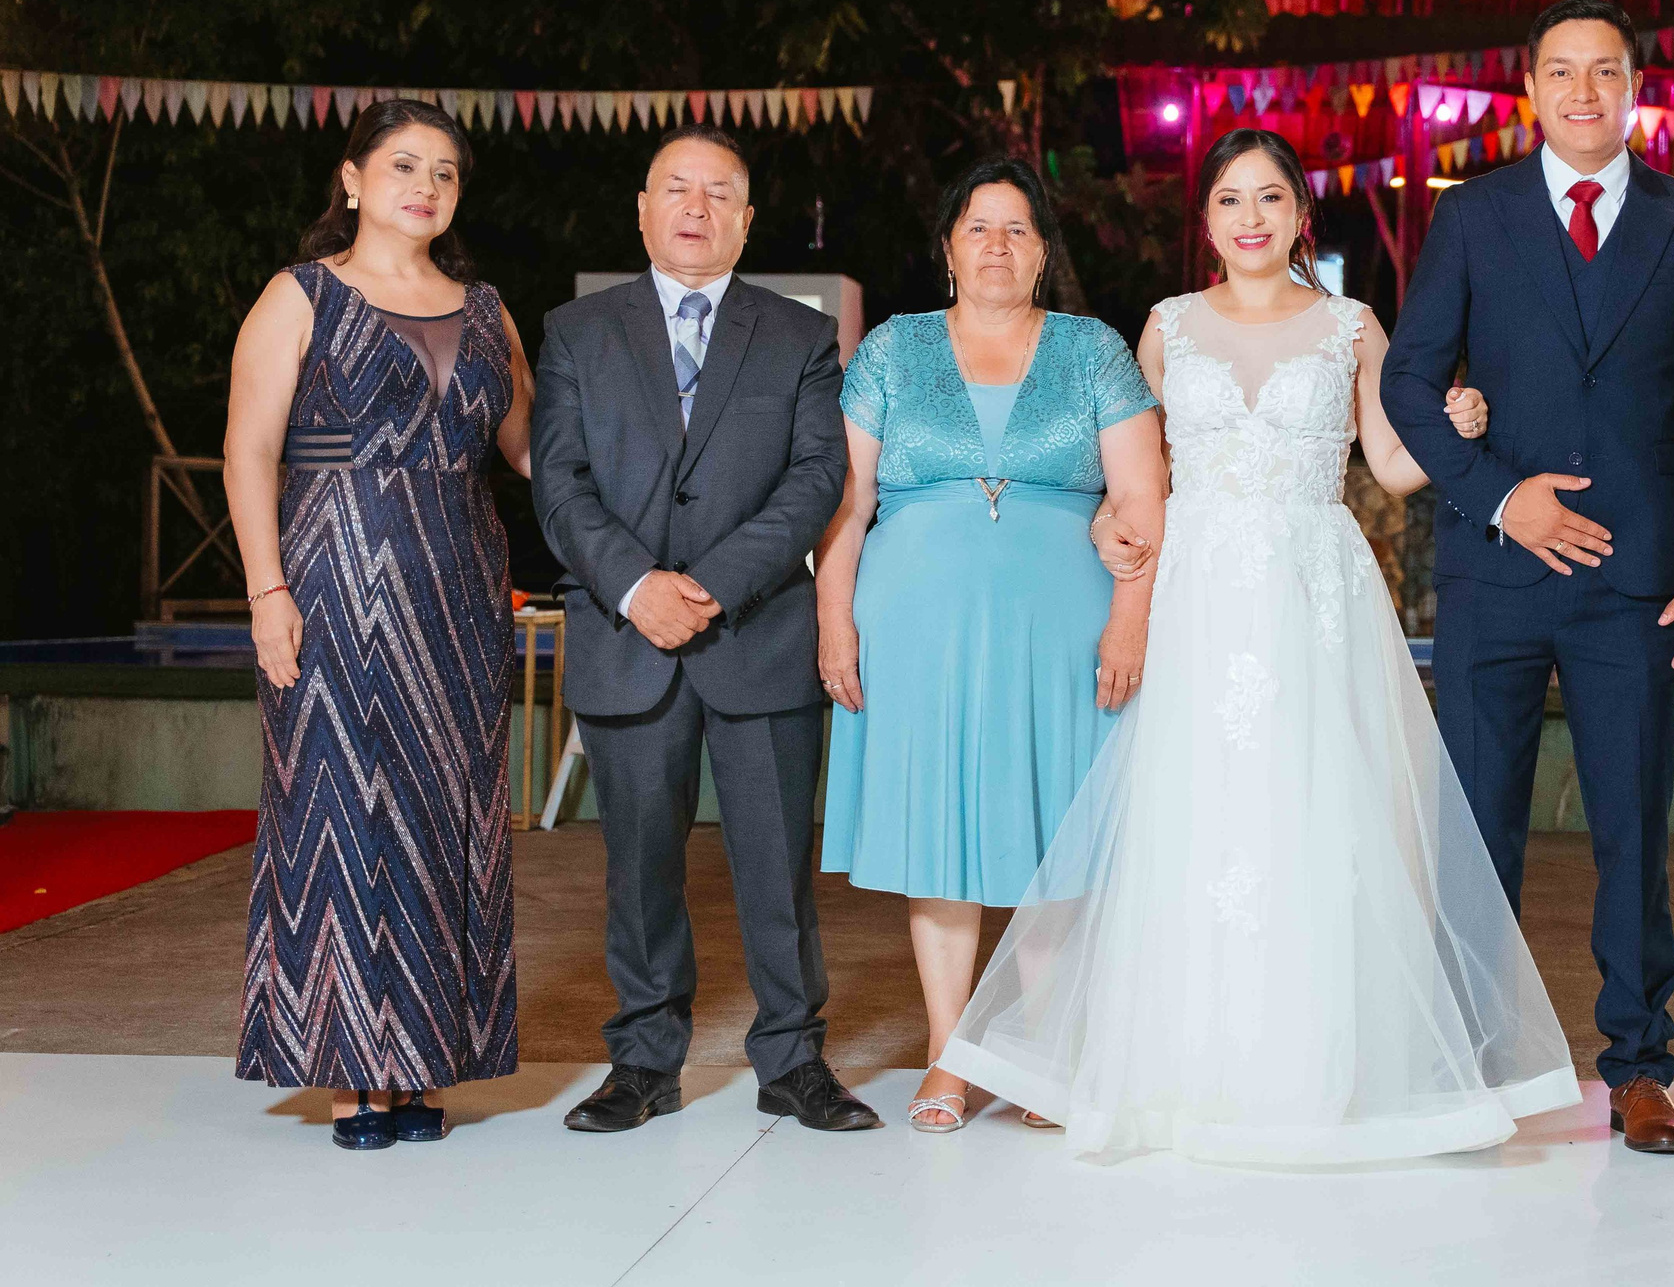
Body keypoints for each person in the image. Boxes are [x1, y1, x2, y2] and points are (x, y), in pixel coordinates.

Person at [937, 128, 1575, 1165]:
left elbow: (1389, 465)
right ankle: (1184, 1069)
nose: (1250, 219)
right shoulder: (1165, 328)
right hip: (1195, 590)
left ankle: (1309, 1070)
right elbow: (1126, 474)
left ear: (1298, 216)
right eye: (1230, 201)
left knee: (1312, 808)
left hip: (1308, 586)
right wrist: (1107, 527)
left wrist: (1456, 421)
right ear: (1206, 223)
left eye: (1269, 199)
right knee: (1190, 812)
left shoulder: (1351, 325)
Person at [1379, 0, 1674, 1155]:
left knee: (1631, 832)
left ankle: (1639, 1066)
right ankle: (1462, 1062)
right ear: (1530, 91)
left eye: (1606, 72)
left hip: (1636, 584)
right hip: (1496, 571)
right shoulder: (1472, 215)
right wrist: (1500, 493)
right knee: (1476, 831)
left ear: (1634, 88)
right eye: (1562, 73)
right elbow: (1405, 384)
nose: (1584, 92)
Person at [532, 124, 873, 1135]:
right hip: (626, 637)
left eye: (718, 192)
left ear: (746, 219)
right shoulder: (576, 332)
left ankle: (792, 1060)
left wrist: (713, 585)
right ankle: (642, 1061)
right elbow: (558, 483)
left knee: (775, 865)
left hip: (757, 638)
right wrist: (638, 586)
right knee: (638, 866)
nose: (696, 205)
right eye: (676, 188)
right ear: (642, 210)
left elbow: (818, 475)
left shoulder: (797, 334)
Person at [814, 159, 1166, 1134]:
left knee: (1056, 835)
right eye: (979, 227)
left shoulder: (1094, 351)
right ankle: (949, 1056)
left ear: (1044, 251)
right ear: (948, 248)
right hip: (913, 620)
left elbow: (1142, 498)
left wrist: (1130, 617)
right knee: (940, 838)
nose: (998, 244)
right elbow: (845, 501)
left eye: (1018, 228)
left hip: (1068, 622)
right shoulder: (893, 349)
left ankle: (1046, 1055)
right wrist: (832, 617)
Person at [226, 98, 534, 1149]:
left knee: (443, 815)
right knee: (340, 807)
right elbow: (248, 452)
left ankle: (427, 1056)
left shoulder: (488, 309)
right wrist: (268, 592)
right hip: (333, 577)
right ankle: (355, 1066)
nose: (427, 186)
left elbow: (535, 451)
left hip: (458, 580)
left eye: (446, 172)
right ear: (352, 179)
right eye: (405, 165)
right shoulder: (299, 295)